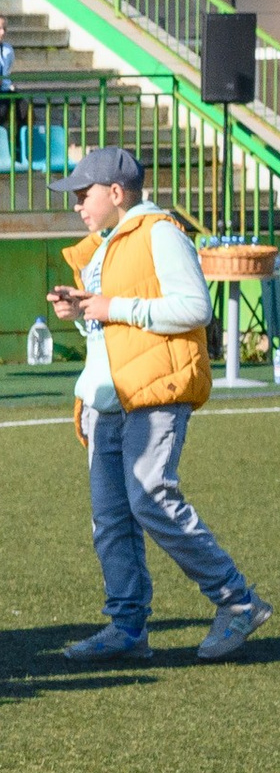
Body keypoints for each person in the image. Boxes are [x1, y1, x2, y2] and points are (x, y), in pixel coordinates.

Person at [50, 146, 269, 663]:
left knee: (150, 497)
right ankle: (127, 628)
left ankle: (238, 601)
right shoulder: (102, 246)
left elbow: (195, 307)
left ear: (116, 192)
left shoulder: (160, 233)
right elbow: (110, 327)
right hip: (107, 399)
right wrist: (83, 313)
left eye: (83, 194)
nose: (76, 205)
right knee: (111, 520)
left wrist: (111, 306)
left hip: (153, 392)